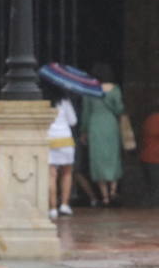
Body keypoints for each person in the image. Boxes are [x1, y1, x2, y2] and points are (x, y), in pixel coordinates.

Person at [80, 63, 125, 206]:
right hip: (110, 125)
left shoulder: (90, 90)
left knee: (97, 159)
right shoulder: (115, 89)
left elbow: (86, 113)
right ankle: (113, 190)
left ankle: (104, 196)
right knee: (113, 158)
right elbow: (119, 109)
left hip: (95, 126)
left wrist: (84, 131)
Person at [47, 92, 79, 220]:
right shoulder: (65, 102)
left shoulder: (43, 102)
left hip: (49, 139)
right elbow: (73, 121)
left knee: (51, 175)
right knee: (67, 173)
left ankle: (53, 208)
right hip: (65, 139)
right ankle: (64, 205)